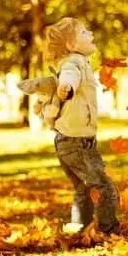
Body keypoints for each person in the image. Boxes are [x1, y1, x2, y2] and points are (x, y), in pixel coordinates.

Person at [44, 17, 120, 235]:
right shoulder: (73, 62)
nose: (91, 34)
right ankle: (109, 232)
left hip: (69, 141)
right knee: (104, 188)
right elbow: (69, 77)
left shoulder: (80, 61)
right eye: (85, 33)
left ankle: (80, 232)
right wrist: (66, 86)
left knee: (83, 190)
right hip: (77, 143)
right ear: (71, 45)